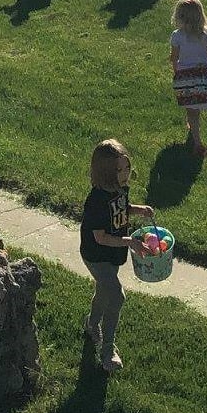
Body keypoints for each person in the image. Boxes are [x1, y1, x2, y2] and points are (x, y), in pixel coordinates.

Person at [80, 139, 155, 375]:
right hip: (97, 255)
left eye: (126, 168)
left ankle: (91, 325)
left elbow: (121, 207)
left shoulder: (120, 189)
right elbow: (100, 237)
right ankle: (107, 352)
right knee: (117, 296)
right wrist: (130, 242)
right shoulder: (96, 201)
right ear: (104, 173)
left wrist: (137, 209)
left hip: (113, 254)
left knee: (104, 292)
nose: (124, 175)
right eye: (118, 171)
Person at [170, 0, 207, 156]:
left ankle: (197, 142)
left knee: (191, 109)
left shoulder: (177, 36)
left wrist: (176, 72)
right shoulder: (206, 33)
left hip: (186, 76)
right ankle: (193, 128)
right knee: (197, 105)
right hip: (203, 75)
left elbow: (174, 57)